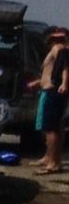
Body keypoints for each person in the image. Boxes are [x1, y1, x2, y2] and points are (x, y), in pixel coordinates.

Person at [35, 27, 68, 175]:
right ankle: (50, 159)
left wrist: (64, 84)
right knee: (52, 126)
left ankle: (53, 163)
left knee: (51, 127)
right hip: (50, 90)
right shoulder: (57, 50)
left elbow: (66, 68)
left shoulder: (59, 49)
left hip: (53, 91)